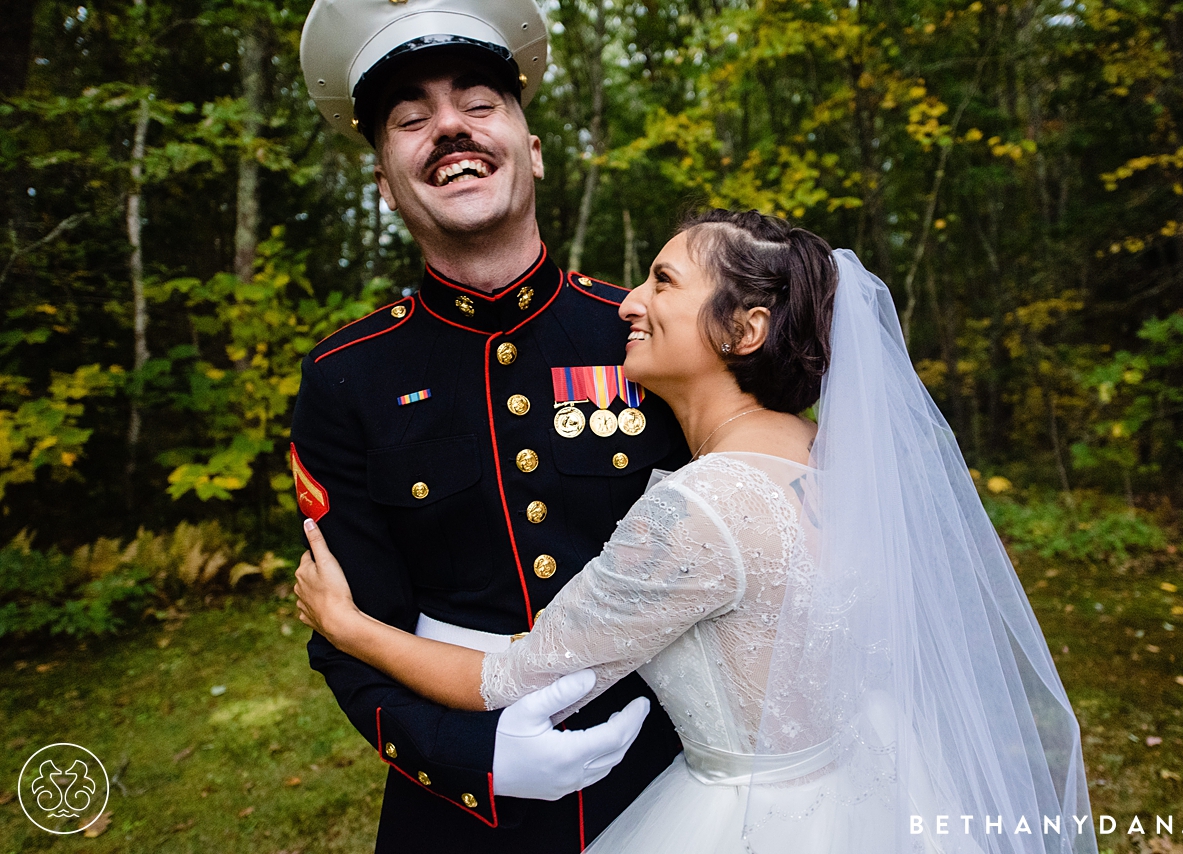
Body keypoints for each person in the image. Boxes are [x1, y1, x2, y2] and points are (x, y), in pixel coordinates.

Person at [295, 210, 1101, 854]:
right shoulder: (831, 456)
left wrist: (347, 626)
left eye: (663, 281)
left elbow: (512, 677)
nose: (629, 303)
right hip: (874, 790)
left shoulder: (694, 509)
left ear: (744, 330)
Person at [291, 1, 686, 851]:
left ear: (532, 150)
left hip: (670, 779)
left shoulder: (649, 330)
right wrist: (472, 755)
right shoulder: (345, 378)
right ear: (385, 184)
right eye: (409, 118)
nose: (449, 129)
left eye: (478, 103)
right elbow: (344, 627)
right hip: (462, 812)